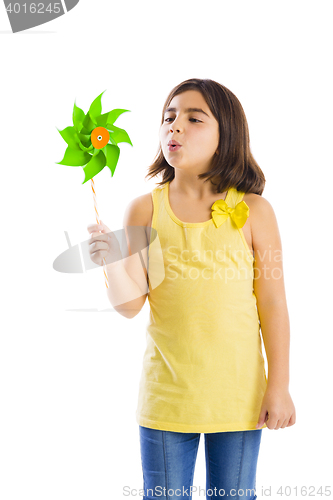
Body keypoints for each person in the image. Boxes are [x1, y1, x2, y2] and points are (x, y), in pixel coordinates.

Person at [87, 78, 296, 500]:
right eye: (168, 117)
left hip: (239, 395)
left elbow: (272, 303)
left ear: (226, 135)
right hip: (167, 395)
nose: (174, 126)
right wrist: (111, 259)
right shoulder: (145, 208)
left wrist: (279, 385)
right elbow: (130, 305)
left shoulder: (254, 211)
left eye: (192, 118)